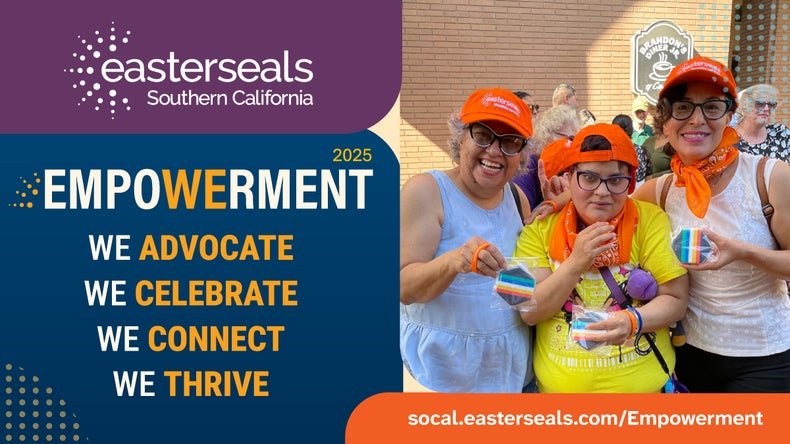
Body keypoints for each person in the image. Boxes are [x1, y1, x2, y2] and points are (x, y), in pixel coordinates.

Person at [631, 56, 790, 392]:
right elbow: (608, 207)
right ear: (665, 121)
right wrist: (561, 198)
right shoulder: (658, 191)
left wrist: (743, 252)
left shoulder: (770, 176)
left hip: (766, 355)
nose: (697, 119)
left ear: (729, 116)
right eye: (683, 108)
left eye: (712, 107)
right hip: (690, 352)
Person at [515, 123, 688, 393]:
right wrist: (576, 262)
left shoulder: (650, 220)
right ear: (570, 178)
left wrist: (632, 321)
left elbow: (676, 300)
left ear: (630, 182)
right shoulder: (539, 228)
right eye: (589, 178)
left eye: (615, 180)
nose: (602, 192)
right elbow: (529, 311)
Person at [400, 87, 534, 392]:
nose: (494, 151)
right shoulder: (427, 190)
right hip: (441, 375)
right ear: (460, 138)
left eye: (510, 141)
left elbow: (516, 286)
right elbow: (404, 288)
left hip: (509, 374)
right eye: (482, 135)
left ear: (522, 154)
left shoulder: (517, 198)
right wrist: (454, 261)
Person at [512, 105, 581, 210]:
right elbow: (522, 214)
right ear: (547, 134)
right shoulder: (528, 167)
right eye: (571, 138)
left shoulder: (568, 169)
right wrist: (554, 204)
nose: (574, 144)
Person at [735, 83, 790, 162]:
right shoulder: (728, 139)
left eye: (771, 104)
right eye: (759, 104)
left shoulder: (781, 133)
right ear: (744, 107)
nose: (766, 109)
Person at [612, 114, 652, 183]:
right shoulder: (642, 151)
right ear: (631, 130)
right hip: (641, 188)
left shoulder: (608, 152)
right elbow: (649, 177)